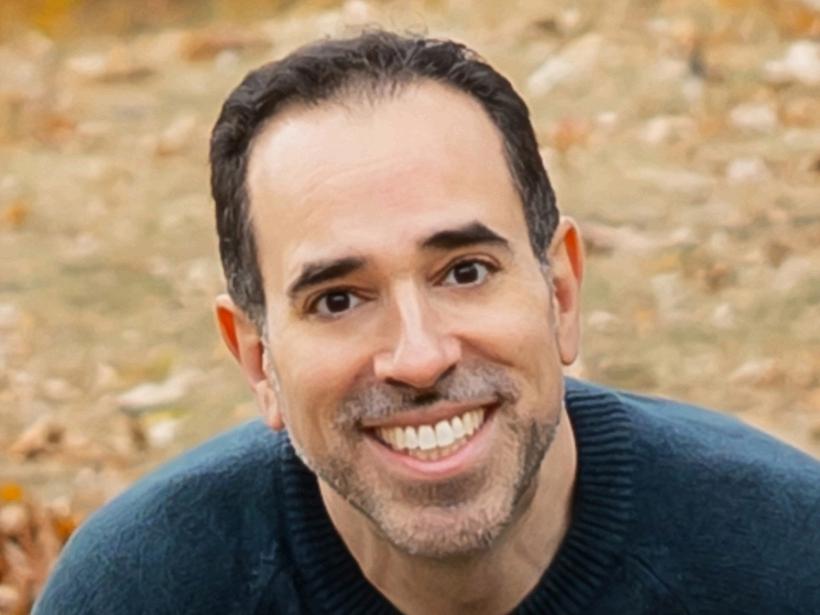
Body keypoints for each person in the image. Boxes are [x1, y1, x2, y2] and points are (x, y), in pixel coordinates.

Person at [35, 30, 819, 615]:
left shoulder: (788, 560)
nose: (418, 356)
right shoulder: (138, 590)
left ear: (561, 293)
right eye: (338, 299)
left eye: (465, 272)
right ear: (257, 358)